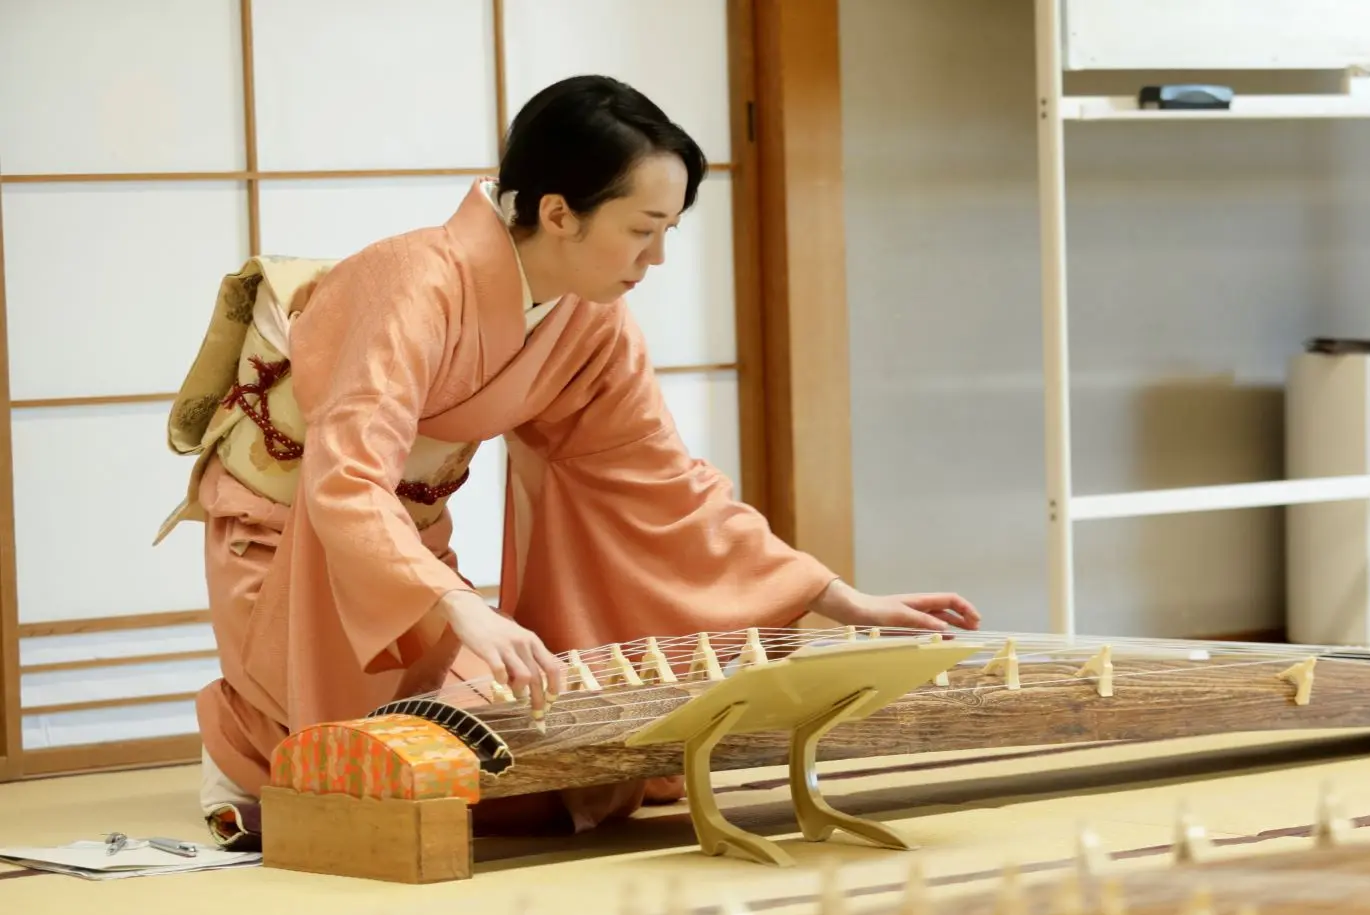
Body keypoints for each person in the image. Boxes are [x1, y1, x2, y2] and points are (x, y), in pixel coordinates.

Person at [158, 75, 979, 846]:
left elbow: (656, 480)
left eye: (667, 233)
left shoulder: (588, 317)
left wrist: (831, 595)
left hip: (406, 556)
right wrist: (462, 606)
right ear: (558, 212)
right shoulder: (410, 284)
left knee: (538, 770)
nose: (655, 259)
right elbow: (345, 481)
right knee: (361, 771)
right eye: (642, 230)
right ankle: (240, 746)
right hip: (292, 543)